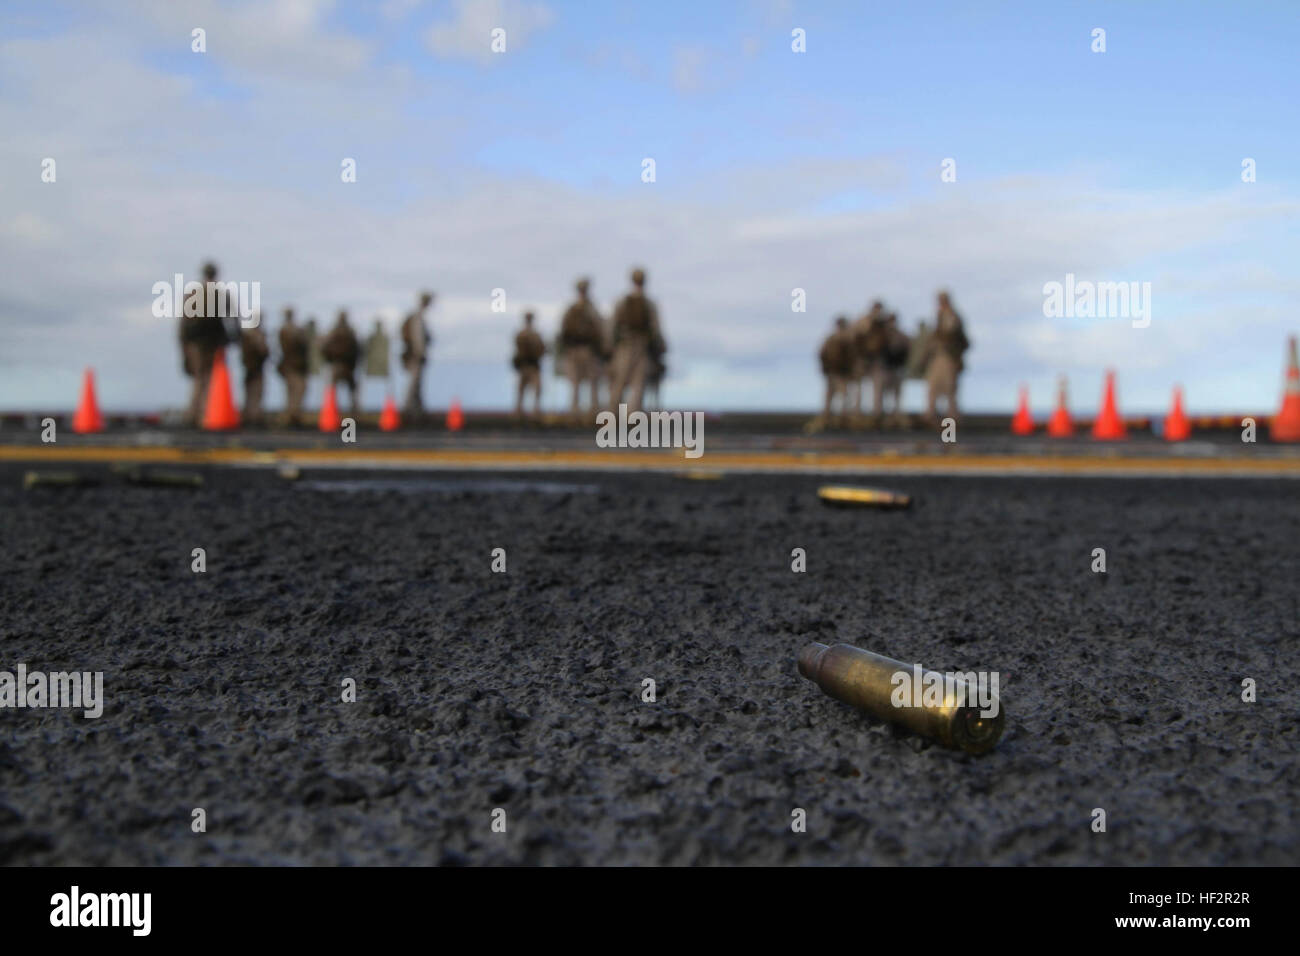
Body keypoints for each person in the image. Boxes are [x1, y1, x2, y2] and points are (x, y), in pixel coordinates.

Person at [179, 261, 233, 425]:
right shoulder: (221, 293)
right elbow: (231, 318)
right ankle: (203, 414)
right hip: (212, 343)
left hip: (196, 342)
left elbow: (184, 322)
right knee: (208, 379)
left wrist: (184, 344)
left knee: (199, 379)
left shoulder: (193, 293)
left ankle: (194, 414)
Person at [608, 267, 664, 413]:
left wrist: (610, 348)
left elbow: (612, 325)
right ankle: (633, 416)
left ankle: (613, 414)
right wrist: (659, 348)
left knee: (619, 382)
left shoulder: (622, 302)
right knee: (638, 383)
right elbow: (656, 329)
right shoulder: (649, 303)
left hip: (624, 347)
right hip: (641, 347)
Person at [558, 278, 604, 419]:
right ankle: (586, 411)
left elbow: (563, 330)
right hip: (584, 350)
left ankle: (579, 411)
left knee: (582, 382)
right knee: (583, 381)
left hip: (579, 350)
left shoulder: (573, 309)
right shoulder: (588, 309)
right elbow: (600, 328)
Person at [923, 290, 971, 422]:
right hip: (939, 356)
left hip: (947, 356)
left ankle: (951, 418)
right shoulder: (941, 316)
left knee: (949, 388)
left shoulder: (951, 316)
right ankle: (931, 416)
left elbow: (950, 335)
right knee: (934, 387)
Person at [872, 312, 912, 427]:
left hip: (896, 368)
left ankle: (895, 417)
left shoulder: (901, 335)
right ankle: (878, 418)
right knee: (879, 394)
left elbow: (908, 350)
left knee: (896, 395)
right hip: (882, 368)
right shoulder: (880, 336)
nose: (891, 323)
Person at [850, 300, 886, 423]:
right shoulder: (864, 321)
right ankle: (856, 413)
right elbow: (855, 337)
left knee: (878, 387)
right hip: (863, 358)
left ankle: (877, 414)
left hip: (877, 359)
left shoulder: (884, 324)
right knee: (858, 387)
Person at [321, 310, 361, 415]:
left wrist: (329, 359)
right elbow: (357, 348)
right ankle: (351, 411)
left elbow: (324, 347)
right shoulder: (349, 331)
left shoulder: (334, 331)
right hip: (344, 364)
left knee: (334, 388)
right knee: (348, 389)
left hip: (339, 364)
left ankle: (331, 411)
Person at [401, 292, 434, 416]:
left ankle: (417, 410)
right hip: (416, 355)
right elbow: (417, 338)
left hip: (414, 354)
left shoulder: (418, 316)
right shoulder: (418, 318)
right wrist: (420, 353)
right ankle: (408, 409)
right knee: (414, 383)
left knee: (417, 383)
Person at [818, 315, 855, 425]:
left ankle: (841, 418)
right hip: (833, 372)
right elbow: (823, 354)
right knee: (832, 396)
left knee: (843, 396)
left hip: (842, 373)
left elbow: (852, 358)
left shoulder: (847, 339)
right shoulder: (832, 339)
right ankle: (828, 417)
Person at [277, 307, 309, 426]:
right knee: (297, 391)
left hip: (289, 366)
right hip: (295, 366)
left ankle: (291, 415)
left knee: (291, 392)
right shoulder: (295, 331)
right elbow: (301, 346)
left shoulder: (283, 330)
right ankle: (293, 416)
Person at [513, 311, 546, 419]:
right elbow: (518, 350)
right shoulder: (522, 334)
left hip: (533, 365)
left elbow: (541, 349)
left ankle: (535, 411)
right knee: (521, 390)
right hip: (525, 365)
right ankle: (519, 412)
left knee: (537, 389)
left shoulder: (535, 335)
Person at [239, 312, 270, 426]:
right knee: (256, 393)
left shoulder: (246, 334)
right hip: (255, 368)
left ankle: (249, 416)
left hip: (250, 368)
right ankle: (254, 417)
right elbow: (263, 351)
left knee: (250, 394)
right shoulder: (256, 335)